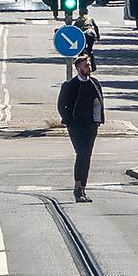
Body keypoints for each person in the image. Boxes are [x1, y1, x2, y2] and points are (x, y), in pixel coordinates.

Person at [56, 54, 105, 201]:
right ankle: (77, 188)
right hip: (76, 126)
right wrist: (70, 121)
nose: (88, 68)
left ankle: (83, 188)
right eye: (85, 66)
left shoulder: (95, 83)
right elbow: (61, 106)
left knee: (87, 155)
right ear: (78, 69)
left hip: (91, 125)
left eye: (89, 65)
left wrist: (98, 121)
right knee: (81, 153)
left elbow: (99, 103)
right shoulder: (70, 85)